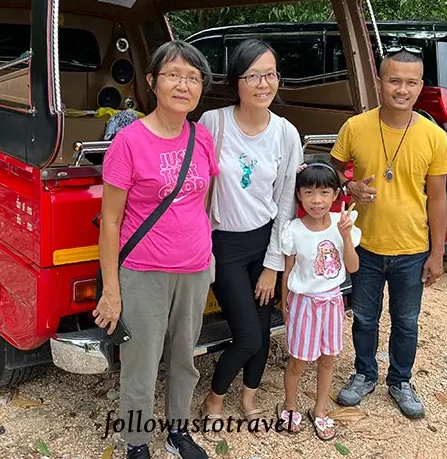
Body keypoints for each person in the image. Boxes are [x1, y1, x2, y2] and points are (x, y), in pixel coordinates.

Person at [93, 40, 218, 459]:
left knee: (185, 357)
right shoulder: (128, 143)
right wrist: (112, 291)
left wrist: (204, 249)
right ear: (152, 81)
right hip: (144, 271)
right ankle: (137, 441)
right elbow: (110, 221)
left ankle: (177, 433)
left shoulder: (201, 138)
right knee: (141, 365)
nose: (183, 85)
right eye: (174, 75)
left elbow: (201, 197)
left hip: (195, 267)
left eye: (193, 78)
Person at [330, 47, 447, 419]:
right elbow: (332, 171)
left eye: (411, 82)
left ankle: (400, 379)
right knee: (365, 318)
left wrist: (437, 253)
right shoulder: (356, 127)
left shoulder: (433, 136)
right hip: (364, 246)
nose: (402, 89)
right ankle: (364, 373)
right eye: (394, 80)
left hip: (412, 248)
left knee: (406, 321)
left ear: (420, 87)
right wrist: (349, 187)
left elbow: (437, 199)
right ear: (379, 82)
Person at [197, 39, 303, 441]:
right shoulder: (214, 122)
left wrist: (273, 264)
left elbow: (285, 202)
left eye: (271, 74)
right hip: (224, 244)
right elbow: (200, 191)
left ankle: (248, 399)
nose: (264, 83)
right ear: (236, 81)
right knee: (248, 335)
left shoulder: (286, 133)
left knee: (261, 329)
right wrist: (202, 248)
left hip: (264, 245)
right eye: (254, 75)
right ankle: (214, 400)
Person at [277, 162, 361, 440]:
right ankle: (290, 406)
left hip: (333, 302)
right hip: (303, 303)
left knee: (328, 360)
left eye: (325, 192)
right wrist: (284, 302)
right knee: (299, 361)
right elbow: (287, 271)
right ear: (299, 195)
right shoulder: (294, 230)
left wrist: (346, 237)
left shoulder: (342, 224)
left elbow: (353, 267)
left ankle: (320, 410)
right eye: (309, 192)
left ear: (336, 195)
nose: (317, 200)